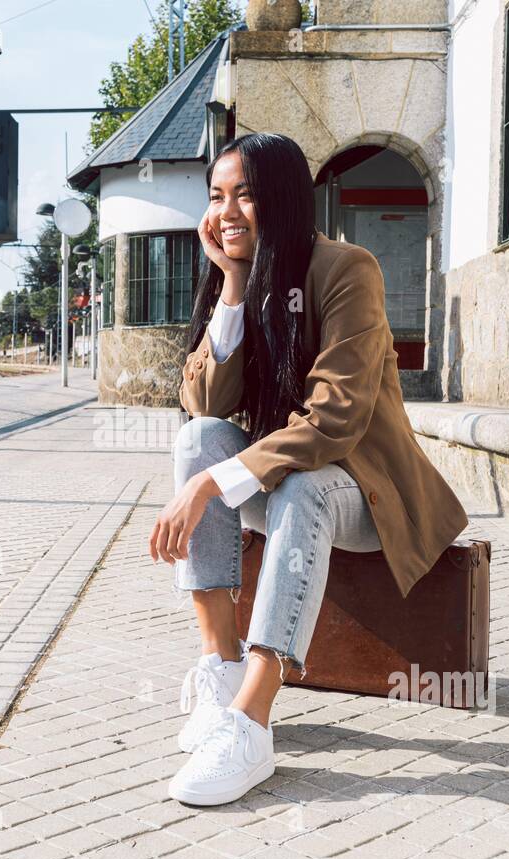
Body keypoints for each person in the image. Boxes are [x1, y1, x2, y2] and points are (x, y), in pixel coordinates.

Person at [148, 132, 469, 806]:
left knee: (297, 480)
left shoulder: (347, 269)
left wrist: (213, 485)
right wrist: (232, 286)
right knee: (200, 439)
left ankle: (252, 723)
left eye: (246, 195)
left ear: (285, 198)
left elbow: (334, 421)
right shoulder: (244, 278)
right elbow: (205, 403)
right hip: (286, 484)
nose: (226, 210)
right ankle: (220, 669)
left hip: (366, 496)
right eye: (216, 196)